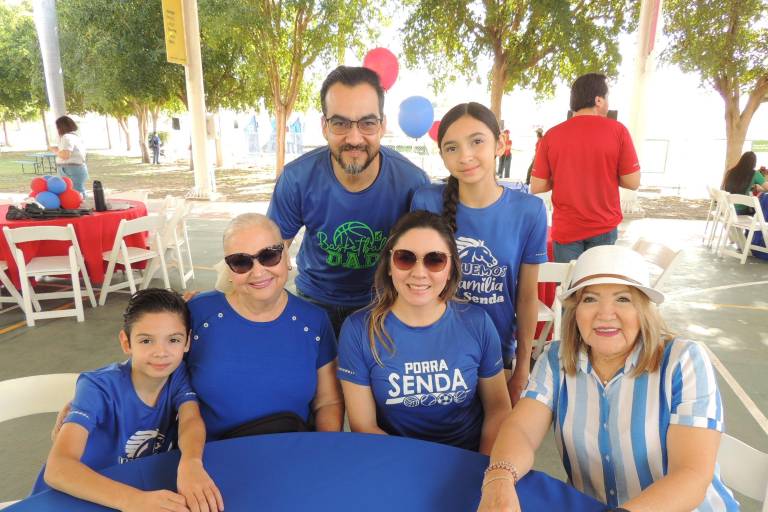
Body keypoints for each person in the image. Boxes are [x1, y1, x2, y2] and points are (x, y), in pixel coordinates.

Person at [477, 245, 739, 512]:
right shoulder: (556, 359)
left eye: (623, 299)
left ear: (643, 309)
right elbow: (520, 428)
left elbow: (691, 474)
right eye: (590, 299)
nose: (604, 313)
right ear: (575, 310)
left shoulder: (682, 361)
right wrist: (499, 478)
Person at [267, 66, 430, 335]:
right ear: (324, 126)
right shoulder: (297, 178)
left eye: (367, 123)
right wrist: (224, 302)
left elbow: (430, 264)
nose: (354, 139)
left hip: (383, 302)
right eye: (340, 123)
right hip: (314, 300)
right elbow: (267, 253)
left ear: (382, 125)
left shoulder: (413, 183)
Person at [337, 211, 511, 454]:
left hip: (468, 458)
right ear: (389, 266)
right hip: (396, 459)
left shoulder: (478, 323)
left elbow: (498, 409)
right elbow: (363, 425)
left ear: (450, 269)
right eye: (405, 258)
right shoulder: (358, 330)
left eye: (435, 260)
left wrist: (485, 467)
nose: (419, 273)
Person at [411, 102, 548, 404]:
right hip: (431, 353)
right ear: (442, 155)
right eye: (452, 148)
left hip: (496, 355)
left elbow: (527, 297)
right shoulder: (425, 201)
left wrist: (522, 367)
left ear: (499, 144)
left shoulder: (529, 211)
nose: (465, 156)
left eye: (476, 141)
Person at [41, 289, 223, 512]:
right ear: (126, 342)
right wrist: (133, 501)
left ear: (187, 342)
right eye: (146, 340)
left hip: (136, 486)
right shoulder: (98, 387)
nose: (161, 352)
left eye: (173, 340)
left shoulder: (178, 375)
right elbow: (57, 468)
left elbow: (190, 420)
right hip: (81, 493)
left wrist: (191, 462)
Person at [186, 213, 344, 439]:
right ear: (229, 269)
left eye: (269, 256)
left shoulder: (314, 321)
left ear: (286, 256)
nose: (258, 271)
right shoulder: (197, 313)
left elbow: (328, 402)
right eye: (241, 262)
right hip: (212, 453)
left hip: (292, 450)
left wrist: (323, 448)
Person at [531, 73, 641, 263]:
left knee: (567, 282)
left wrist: (563, 175)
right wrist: (607, 173)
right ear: (598, 100)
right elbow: (632, 182)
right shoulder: (618, 131)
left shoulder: (551, 135)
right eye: (607, 97)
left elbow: (537, 186)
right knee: (598, 281)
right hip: (604, 227)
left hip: (566, 229)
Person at [49, 115, 89, 196]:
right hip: (77, 168)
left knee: (74, 194)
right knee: (78, 192)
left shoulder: (66, 137)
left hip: (70, 170)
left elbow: (65, 155)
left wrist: (54, 150)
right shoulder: (76, 137)